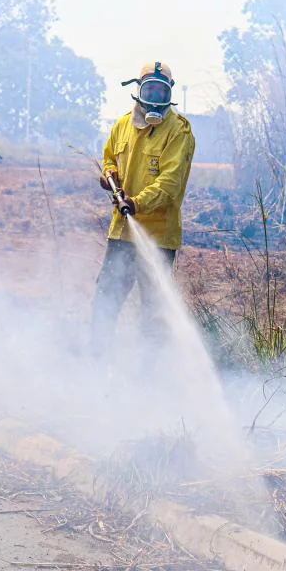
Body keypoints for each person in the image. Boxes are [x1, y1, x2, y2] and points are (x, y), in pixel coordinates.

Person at [91, 61, 196, 354]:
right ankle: (95, 362)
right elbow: (110, 157)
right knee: (105, 300)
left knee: (153, 311)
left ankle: (148, 376)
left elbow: (169, 184)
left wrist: (136, 203)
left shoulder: (179, 132)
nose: (154, 98)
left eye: (161, 93)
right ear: (137, 90)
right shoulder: (122, 124)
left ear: (170, 95)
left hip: (158, 237)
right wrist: (109, 175)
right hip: (122, 232)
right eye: (149, 89)